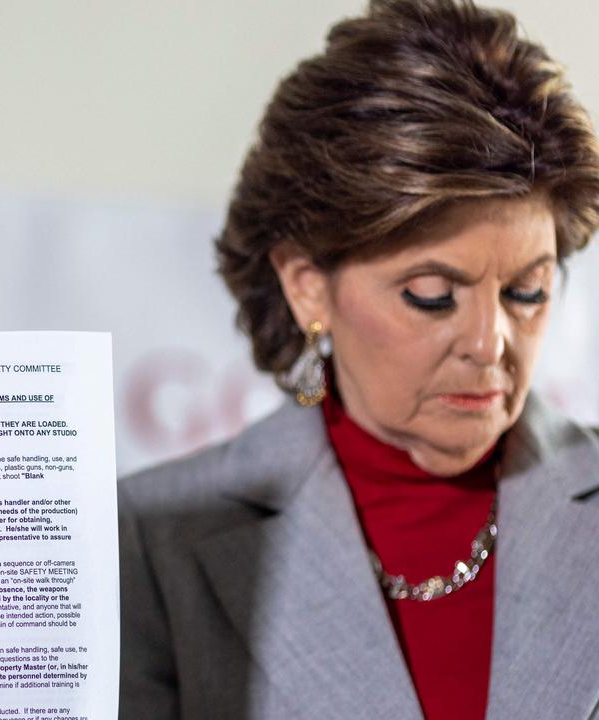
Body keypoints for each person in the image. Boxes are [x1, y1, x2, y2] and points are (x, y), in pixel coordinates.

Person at [119, 1, 599, 718]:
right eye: (433, 295)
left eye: (527, 291)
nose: (490, 342)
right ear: (307, 285)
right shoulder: (152, 538)